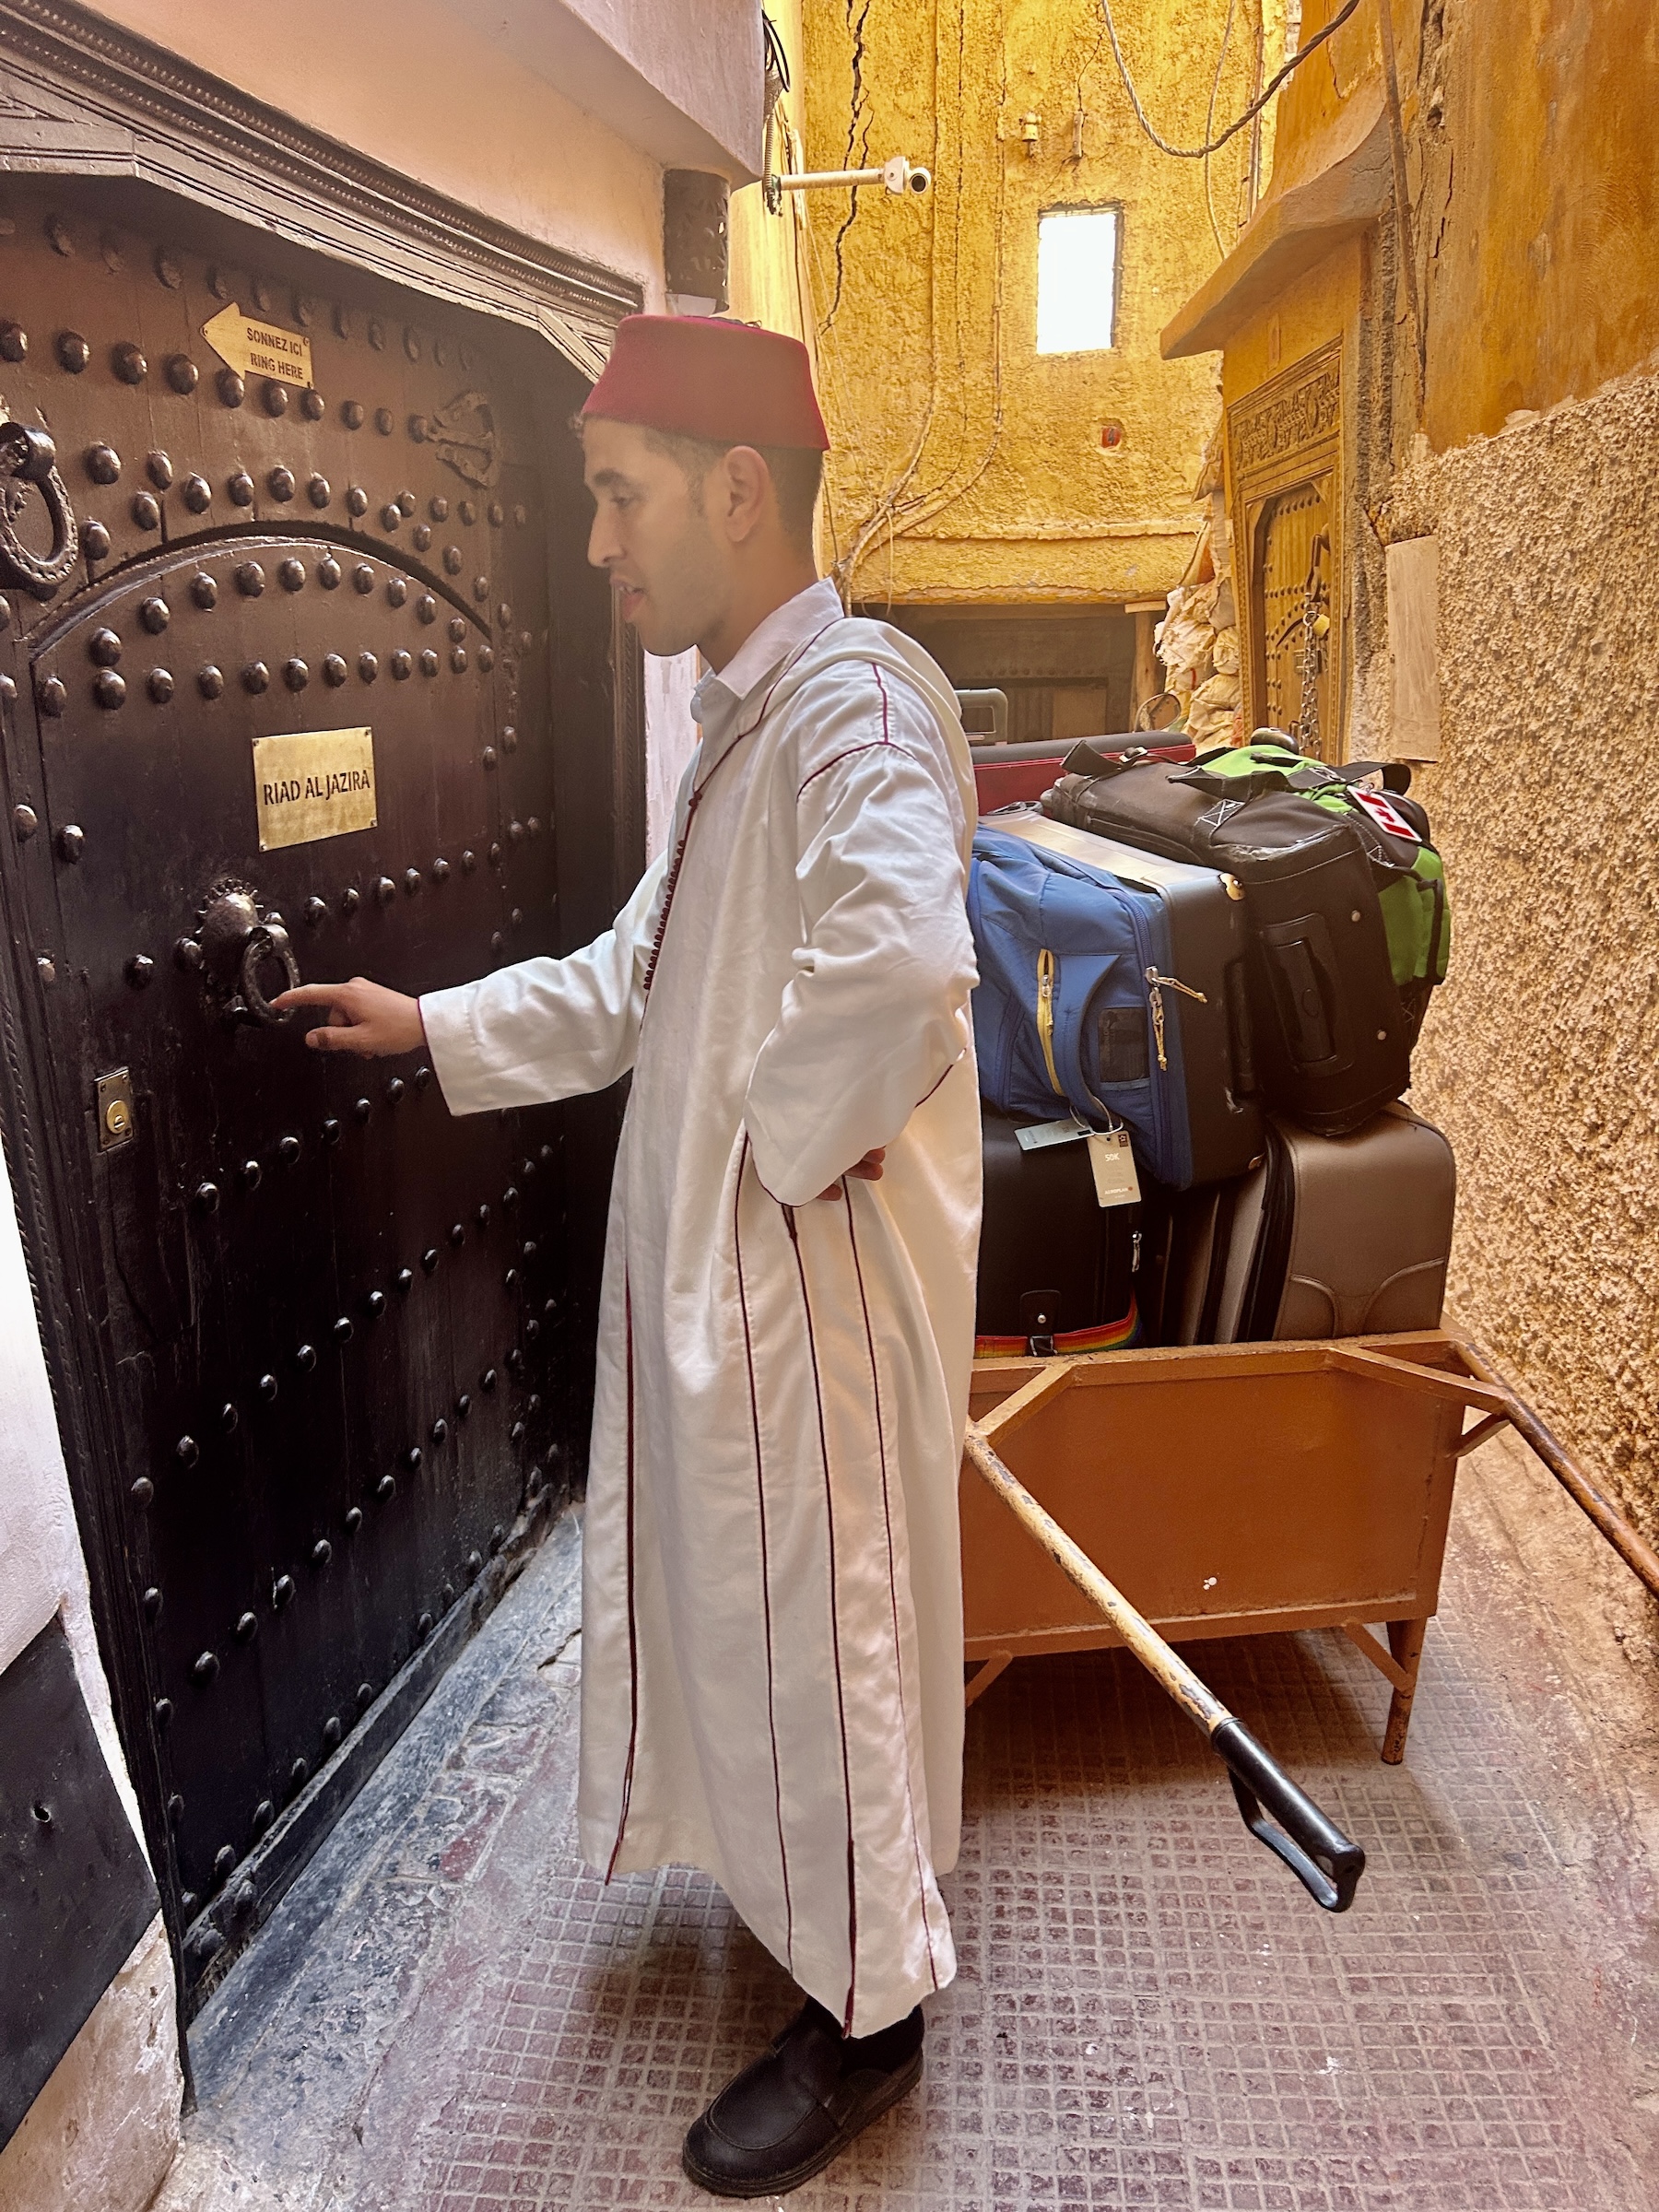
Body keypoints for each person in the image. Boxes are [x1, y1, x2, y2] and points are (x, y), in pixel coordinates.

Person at [274, 313, 981, 2198]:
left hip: (797, 1287)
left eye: (617, 498)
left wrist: (769, 1161)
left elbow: (908, 965)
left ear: (738, 491)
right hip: (745, 1274)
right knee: (756, 1611)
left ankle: (878, 2016)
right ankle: (811, 1912)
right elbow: (637, 982)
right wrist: (434, 1024)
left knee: (820, 1629)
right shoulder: (743, 730)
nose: (596, 546)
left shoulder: (859, 708)